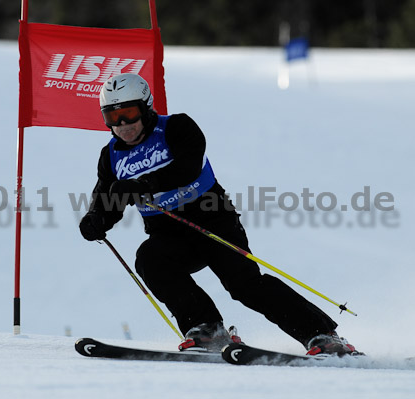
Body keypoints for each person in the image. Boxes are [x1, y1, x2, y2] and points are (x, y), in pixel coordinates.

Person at [79, 73, 359, 356]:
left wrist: (144, 185)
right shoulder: (111, 155)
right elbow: (108, 196)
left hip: (212, 221)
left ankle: (322, 335)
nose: (123, 124)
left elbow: (188, 167)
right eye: (112, 117)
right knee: (150, 259)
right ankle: (206, 329)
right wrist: (97, 219)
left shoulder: (177, 127)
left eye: (129, 113)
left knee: (244, 285)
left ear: (147, 106)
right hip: (169, 234)